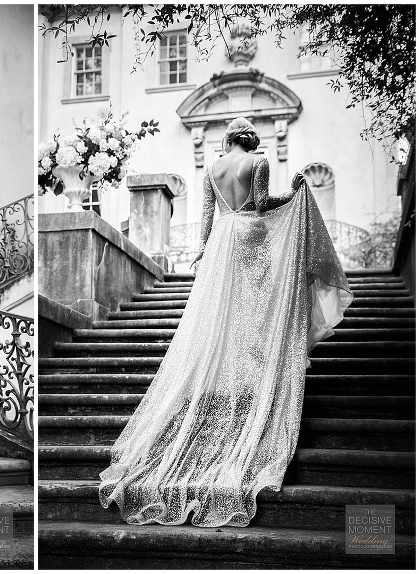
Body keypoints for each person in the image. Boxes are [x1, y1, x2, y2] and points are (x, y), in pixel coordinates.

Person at [98, 117, 353, 527]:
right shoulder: (259, 161)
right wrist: (294, 195)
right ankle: (255, 375)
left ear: (227, 139)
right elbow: (262, 203)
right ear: (250, 139)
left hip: (221, 244)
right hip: (251, 237)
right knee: (254, 312)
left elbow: (208, 217)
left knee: (220, 319)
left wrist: (201, 251)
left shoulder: (212, 169)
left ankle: (225, 379)